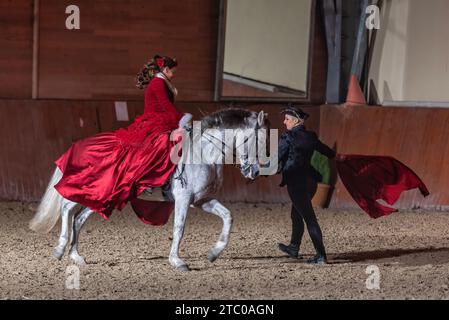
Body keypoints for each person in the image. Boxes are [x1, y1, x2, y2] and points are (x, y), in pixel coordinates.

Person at [54, 54, 192, 220]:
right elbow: (166, 106)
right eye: (173, 72)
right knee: (161, 144)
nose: (174, 75)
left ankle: (169, 180)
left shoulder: (164, 82)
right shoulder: (158, 83)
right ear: (166, 69)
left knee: (179, 139)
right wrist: (181, 118)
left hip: (162, 121)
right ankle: (147, 181)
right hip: (154, 122)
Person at [277, 104, 335, 265]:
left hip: (296, 183)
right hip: (310, 182)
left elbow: (274, 160)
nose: (284, 122)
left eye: (287, 119)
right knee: (296, 214)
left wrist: (254, 169)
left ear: (296, 121)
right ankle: (294, 247)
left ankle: (321, 255)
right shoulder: (311, 137)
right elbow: (329, 153)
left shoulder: (287, 137)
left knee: (309, 218)